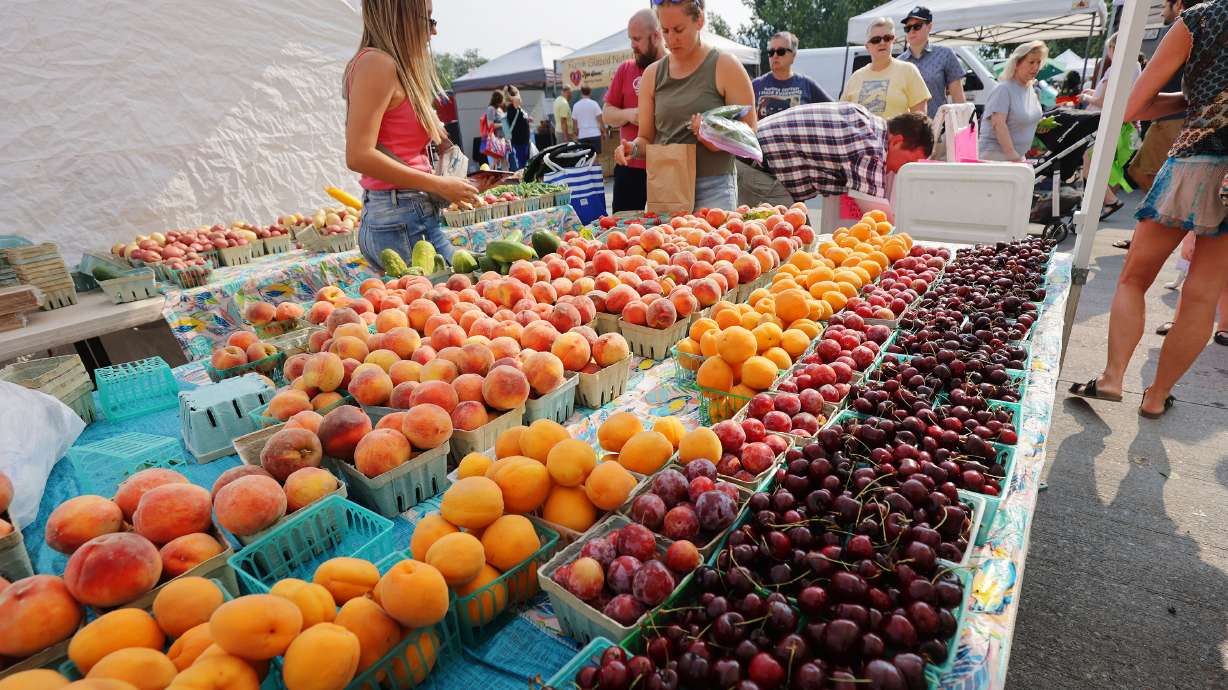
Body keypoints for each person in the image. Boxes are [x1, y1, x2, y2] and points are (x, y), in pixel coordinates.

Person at [1070, 0, 1228, 418]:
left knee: (1134, 279)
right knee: (1201, 297)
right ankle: (1156, 396)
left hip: (1193, 162)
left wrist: (1193, 102)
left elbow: (1132, 107)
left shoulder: (1200, 18)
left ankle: (1112, 378)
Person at [343, 0, 477, 269]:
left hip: (399, 213)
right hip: (401, 214)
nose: (433, 31)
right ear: (400, 18)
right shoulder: (378, 64)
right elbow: (358, 155)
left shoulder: (385, 64)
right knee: (455, 295)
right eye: (427, 19)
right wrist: (438, 185)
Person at [614, 0, 756, 211]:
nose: (671, 39)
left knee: (714, 245)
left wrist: (714, 139)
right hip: (667, 186)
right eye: (665, 31)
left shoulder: (726, 66)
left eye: (679, 30)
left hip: (714, 187)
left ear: (699, 20)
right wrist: (632, 148)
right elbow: (646, 138)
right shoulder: (652, 74)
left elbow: (749, 132)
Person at [749, 103, 933, 221]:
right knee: (792, 246)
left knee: (799, 238)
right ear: (897, 141)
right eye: (907, 161)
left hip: (752, 155)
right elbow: (879, 219)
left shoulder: (864, 119)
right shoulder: (870, 148)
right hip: (755, 166)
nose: (901, 170)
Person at [1129, 0, 1201, 192]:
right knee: (1143, 171)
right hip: (1182, 116)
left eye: (1163, 6)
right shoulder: (1204, 28)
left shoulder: (1185, 27)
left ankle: (1163, 214)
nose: (1161, 13)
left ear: (1178, 4)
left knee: (1145, 173)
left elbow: (1135, 102)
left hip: (1172, 117)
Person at [604, 8, 666, 212]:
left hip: (668, 166)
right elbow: (607, 114)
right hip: (630, 167)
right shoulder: (626, 69)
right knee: (623, 231)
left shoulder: (675, 67)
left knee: (670, 232)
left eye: (637, 39)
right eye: (631, 39)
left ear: (656, 36)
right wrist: (631, 114)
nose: (633, 46)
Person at [841, 17, 930, 119]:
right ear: (867, 46)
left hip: (897, 135)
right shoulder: (855, 78)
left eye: (887, 38)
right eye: (876, 40)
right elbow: (842, 116)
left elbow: (920, 118)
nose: (882, 42)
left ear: (893, 40)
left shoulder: (908, 71)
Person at [977, 41, 1047, 162]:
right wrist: (1012, 155)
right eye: (1031, 62)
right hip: (996, 157)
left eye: (1038, 62)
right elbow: (998, 124)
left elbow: (1021, 119)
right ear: (1017, 63)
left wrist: (1038, 124)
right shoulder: (1003, 89)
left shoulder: (1030, 89)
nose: (1036, 67)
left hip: (1016, 157)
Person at [897, 7, 965, 119]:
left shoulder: (945, 54)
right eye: (908, 28)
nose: (912, 31)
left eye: (917, 26)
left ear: (929, 27)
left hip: (939, 127)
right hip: (908, 130)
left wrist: (962, 126)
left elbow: (959, 100)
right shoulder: (899, 62)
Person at [752, 31, 830, 119]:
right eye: (771, 52)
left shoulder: (807, 84)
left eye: (780, 51)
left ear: (793, 56)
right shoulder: (755, 85)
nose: (775, 56)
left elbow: (834, 109)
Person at [502, 85, 532, 171]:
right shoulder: (512, 107)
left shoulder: (517, 108)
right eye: (518, 93)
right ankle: (523, 181)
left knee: (524, 163)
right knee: (522, 165)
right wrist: (511, 95)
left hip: (523, 140)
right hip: (519, 141)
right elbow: (517, 99)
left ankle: (524, 180)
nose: (519, 96)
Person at [572, 85, 604, 154]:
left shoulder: (576, 105)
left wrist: (576, 134)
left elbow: (574, 123)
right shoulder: (594, 104)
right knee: (596, 156)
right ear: (590, 92)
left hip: (582, 135)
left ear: (581, 93)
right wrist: (604, 131)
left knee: (585, 157)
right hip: (595, 133)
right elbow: (600, 119)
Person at [484, 90, 509, 170]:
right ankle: (495, 180)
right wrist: (502, 124)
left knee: (504, 162)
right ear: (499, 99)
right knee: (496, 163)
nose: (504, 100)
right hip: (496, 140)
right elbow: (490, 125)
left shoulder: (499, 109)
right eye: (503, 98)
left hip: (503, 139)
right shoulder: (491, 109)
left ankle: (506, 179)